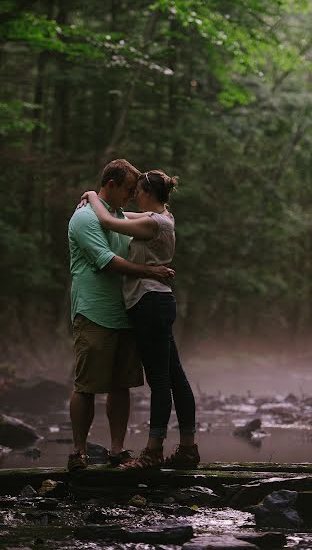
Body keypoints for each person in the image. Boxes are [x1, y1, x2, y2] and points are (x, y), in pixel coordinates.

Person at [81, 170, 200, 469]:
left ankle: (152, 452)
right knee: (176, 378)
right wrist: (102, 203)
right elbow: (123, 214)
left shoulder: (152, 223)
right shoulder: (163, 217)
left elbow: (109, 222)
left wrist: (92, 196)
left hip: (149, 303)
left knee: (160, 381)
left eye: (138, 190)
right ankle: (187, 448)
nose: (134, 193)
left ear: (148, 193)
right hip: (157, 301)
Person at [68, 159, 174, 472]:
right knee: (86, 385)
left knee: (121, 385)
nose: (131, 195)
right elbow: (106, 260)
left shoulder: (116, 214)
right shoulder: (85, 217)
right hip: (94, 311)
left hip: (125, 311)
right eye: (128, 189)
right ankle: (78, 452)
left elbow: (155, 219)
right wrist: (149, 270)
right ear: (111, 184)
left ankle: (116, 450)